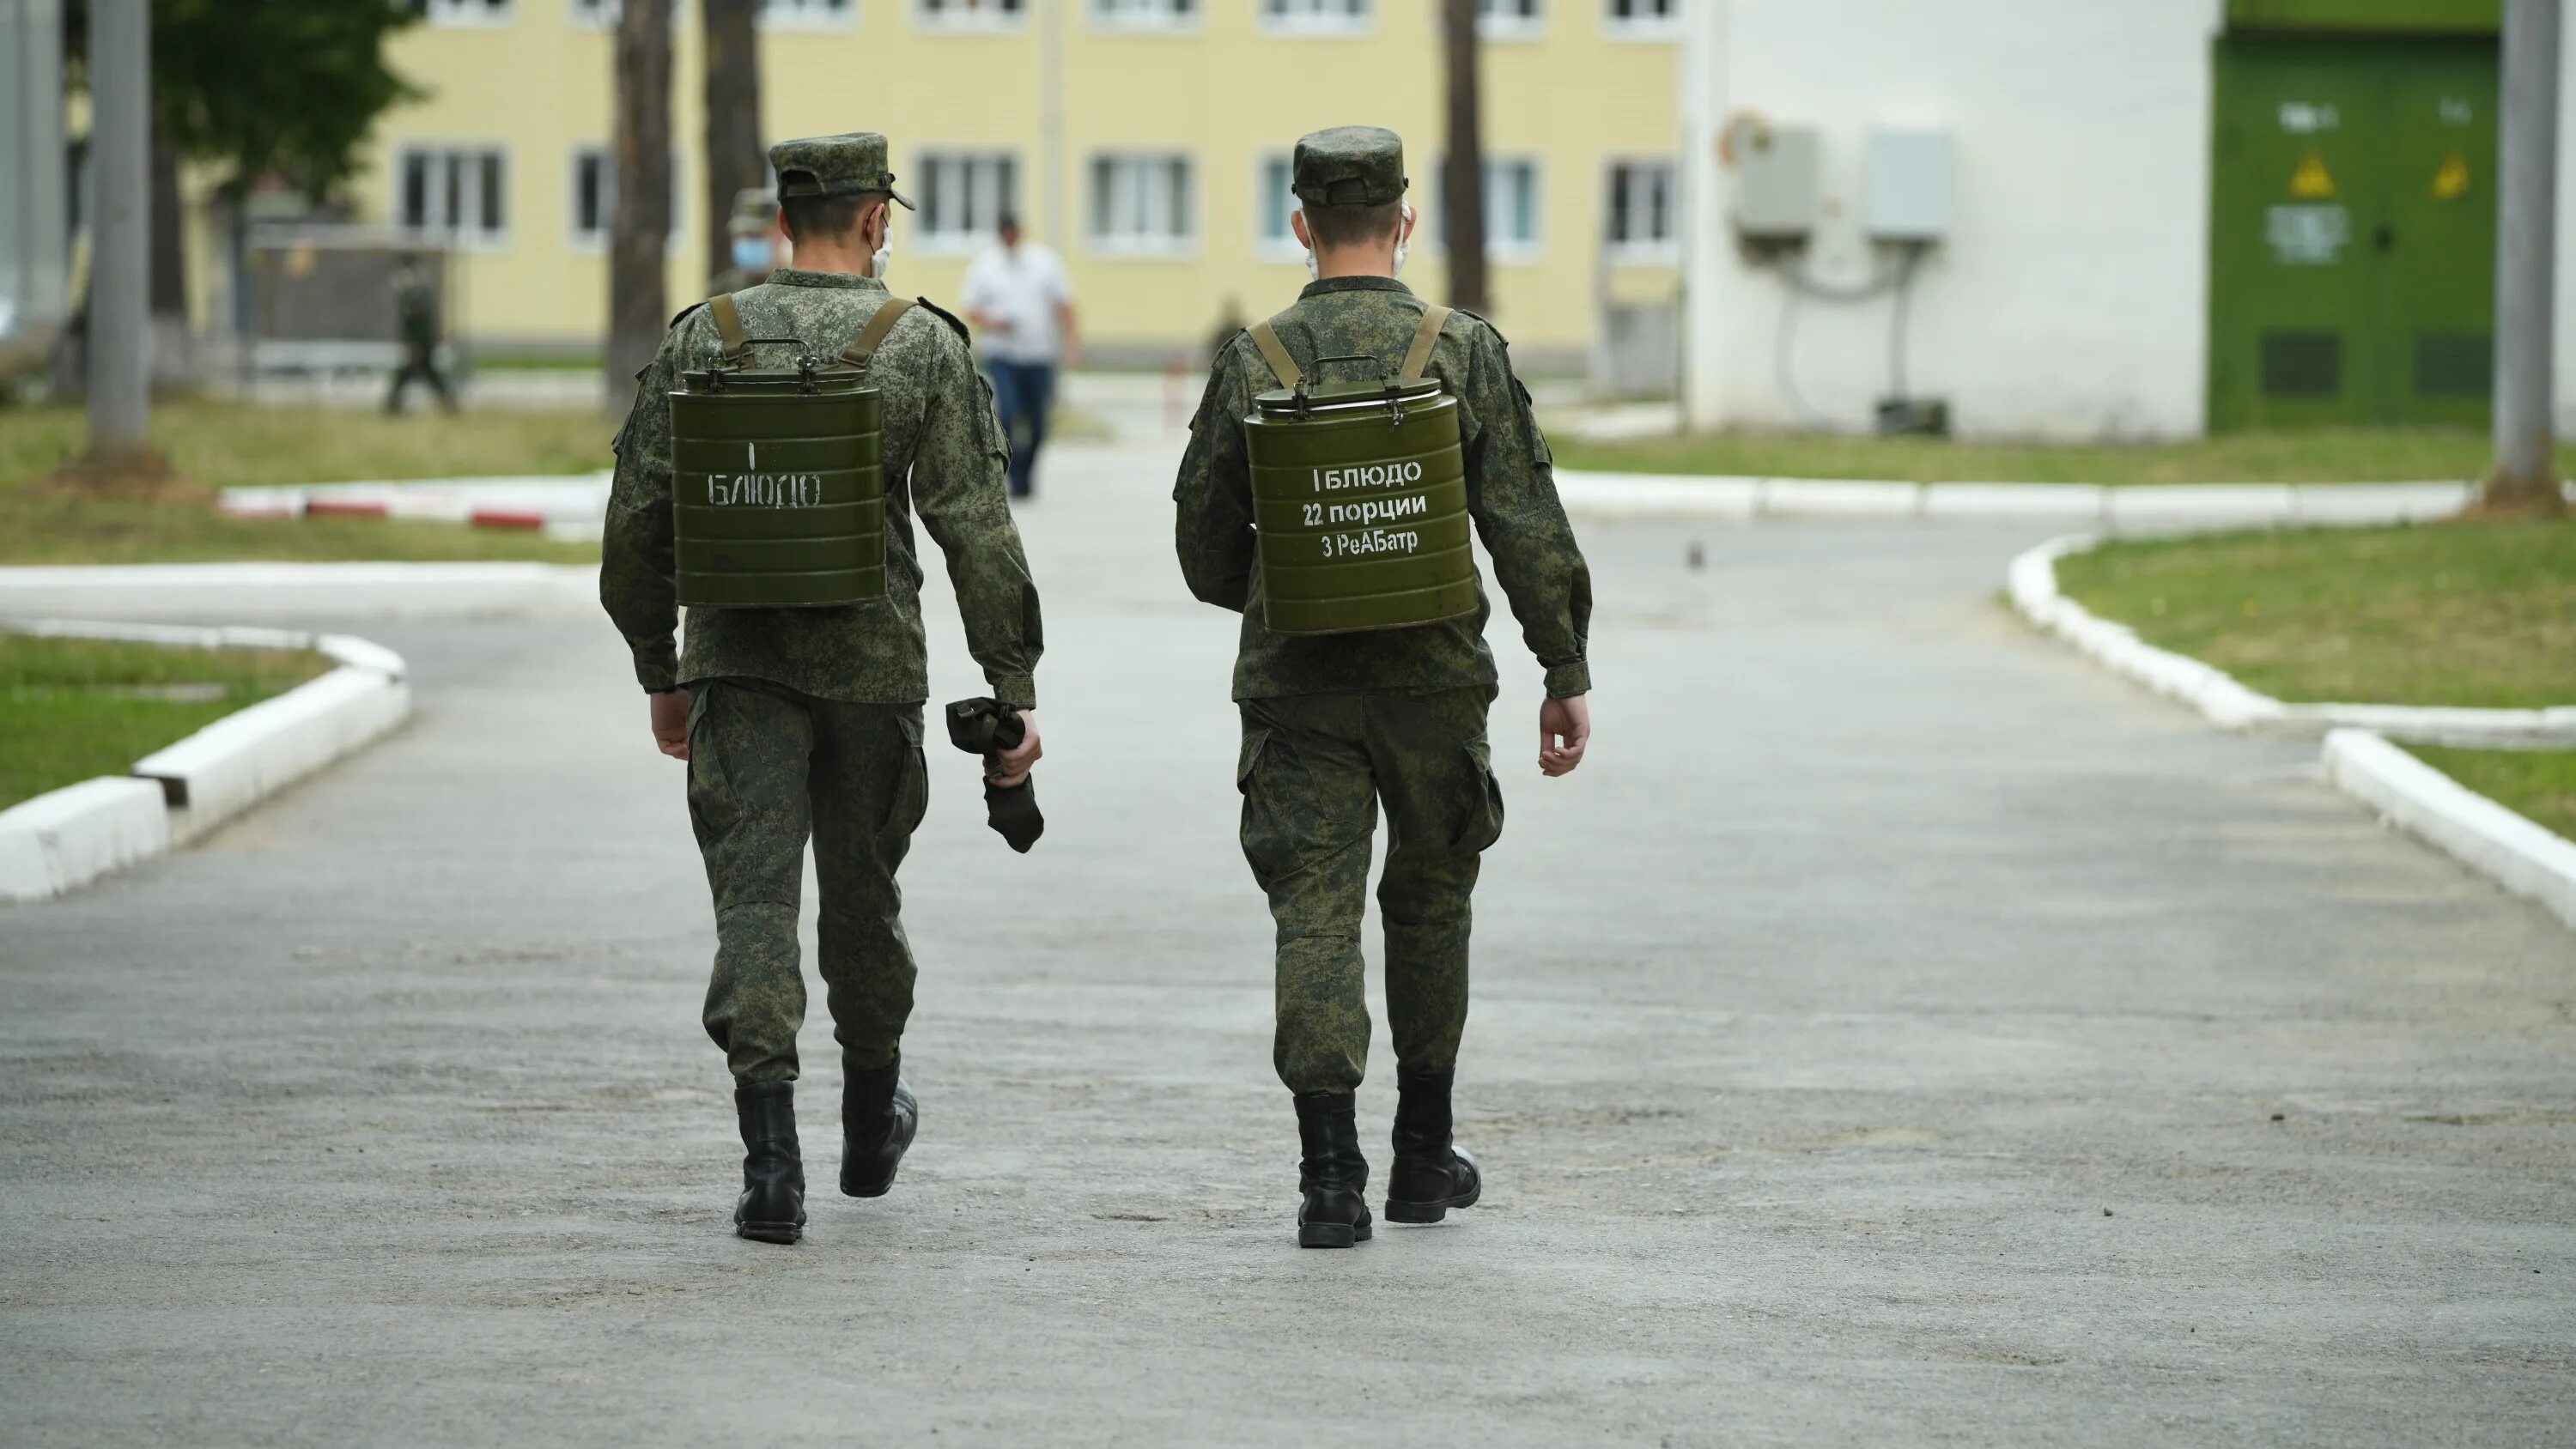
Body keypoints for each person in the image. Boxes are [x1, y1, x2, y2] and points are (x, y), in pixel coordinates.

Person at [601, 131, 1045, 1246]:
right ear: (873, 221)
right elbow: (976, 532)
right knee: (863, 903)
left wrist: (664, 671)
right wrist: (1013, 683)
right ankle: (865, 1119)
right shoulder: (918, 346)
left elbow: (635, 533)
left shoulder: (707, 339)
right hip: (873, 681)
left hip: (737, 676)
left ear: (782, 218)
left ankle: (769, 1169)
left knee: (754, 906)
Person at [1172, 126, 1595, 1250]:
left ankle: (1327, 1179)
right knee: (1431, 904)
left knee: (1314, 909)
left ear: (1302, 225)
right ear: (1405, 222)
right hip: (1435, 687)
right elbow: (1525, 524)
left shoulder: (1254, 359)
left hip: (1297, 692)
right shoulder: (1460, 350)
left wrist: (1279, 592)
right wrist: (1564, 667)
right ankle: (1421, 1157)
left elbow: (1204, 546)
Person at [959, 213, 1078, 500]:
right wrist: (993, 321)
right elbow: (970, 308)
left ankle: (1026, 471)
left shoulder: (1045, 262)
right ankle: (1014, 476)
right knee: (1009, 414)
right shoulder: (985, 265)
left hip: (1039, 354)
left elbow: (1065, 304)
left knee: (1038, 423)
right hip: (1004, 354)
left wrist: (1072, 343)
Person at [384, 255, 457, 415]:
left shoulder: (415, 295)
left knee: (413, 376)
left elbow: (418, 325)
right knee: (428, 377)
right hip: (420, 345)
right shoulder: (416, 292)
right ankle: (393, 406)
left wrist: (416, 346)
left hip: (420, 345)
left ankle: (392, 406)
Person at [706, 187, 786, 298]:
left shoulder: (795, 287)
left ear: (781, 233)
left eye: (756, 234)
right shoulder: (720, 292)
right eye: (742, 234)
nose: (748, 241)